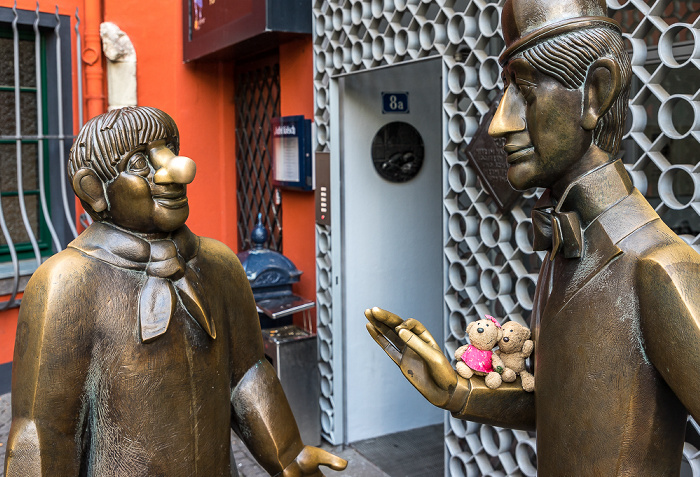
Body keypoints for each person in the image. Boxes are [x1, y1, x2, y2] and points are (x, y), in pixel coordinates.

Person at [366, 0, 700, 474]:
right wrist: (458, 391)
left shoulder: (660, 269)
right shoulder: (561, 254)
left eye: (523, 90)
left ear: (595, 93)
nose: (499, 122)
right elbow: (566, 409)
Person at [4, 106, 347, 477]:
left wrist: (287, 453)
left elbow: (247, 375)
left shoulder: (218, 263)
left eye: (169, 149)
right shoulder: (67, 283)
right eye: (139, 164)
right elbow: (43, 435)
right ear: (94, 190)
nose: (176, 170)